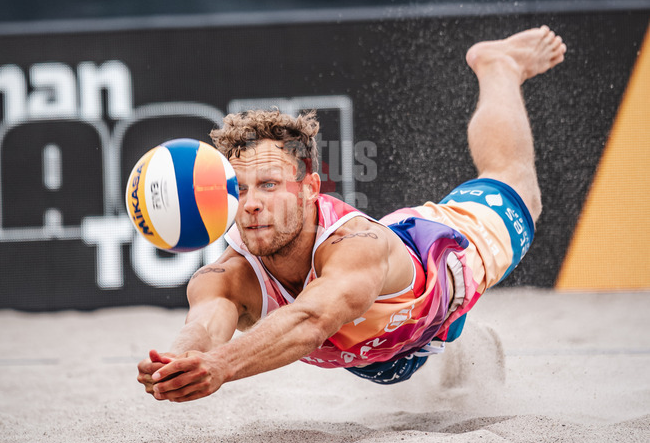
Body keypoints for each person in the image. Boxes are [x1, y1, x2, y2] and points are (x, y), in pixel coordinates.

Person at [137, 25, 566, 403]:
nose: (251, 203)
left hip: (441, 269)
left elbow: (309, 321)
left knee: (518, 185)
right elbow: (206, 325)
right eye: (240, 187)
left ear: (309, 188)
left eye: (269, 185)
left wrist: (220, 367)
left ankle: (498, 66)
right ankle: (460, 345)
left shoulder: (356, 247)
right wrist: (181, 359)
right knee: (394, 365)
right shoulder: (227, 275)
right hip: (376, 354)